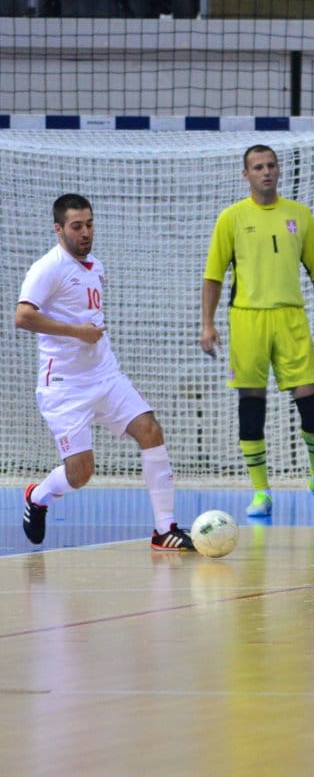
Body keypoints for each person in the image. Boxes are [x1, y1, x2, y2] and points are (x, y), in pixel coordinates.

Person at [15, 194, 193, 551]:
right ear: (59, 229)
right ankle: (38, 496)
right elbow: (23, 316)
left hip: (106, 376)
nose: (85, 232)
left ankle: (164, 529)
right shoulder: (47, 267)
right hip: (65, 387)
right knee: (80, 474)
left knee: (150, 429)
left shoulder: (95, 265)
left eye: (89, 224)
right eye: (76, 226)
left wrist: (89, 336)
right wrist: (77, 331)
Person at [200, 144, 314, 519]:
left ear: (279, 170)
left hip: (291, 319)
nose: (265, 172)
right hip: (247, 318)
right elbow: (213, 276)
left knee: (310, 396)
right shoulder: (231, 218)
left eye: (270, 165)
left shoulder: (299, 216)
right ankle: (261, 492)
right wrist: (207, 323)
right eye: (257, 167)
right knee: (252, 403)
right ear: (246, 174)